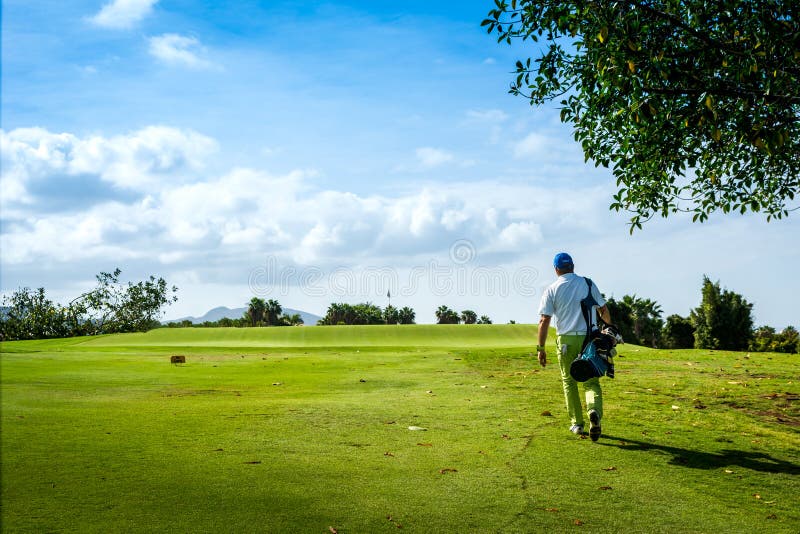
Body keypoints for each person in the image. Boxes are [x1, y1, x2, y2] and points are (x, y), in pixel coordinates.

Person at [536, 252, 612, 441]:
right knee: (591, 381)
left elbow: (544, 320)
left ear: (556, 269)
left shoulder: (552, 289)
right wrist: (607, 333)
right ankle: (593, 411)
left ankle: (577, 424)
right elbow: (603, 310)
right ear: (573, 266)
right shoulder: (587, 283)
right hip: (588, 340)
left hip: (566, 341)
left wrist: (541, 348)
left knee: (569, 382)